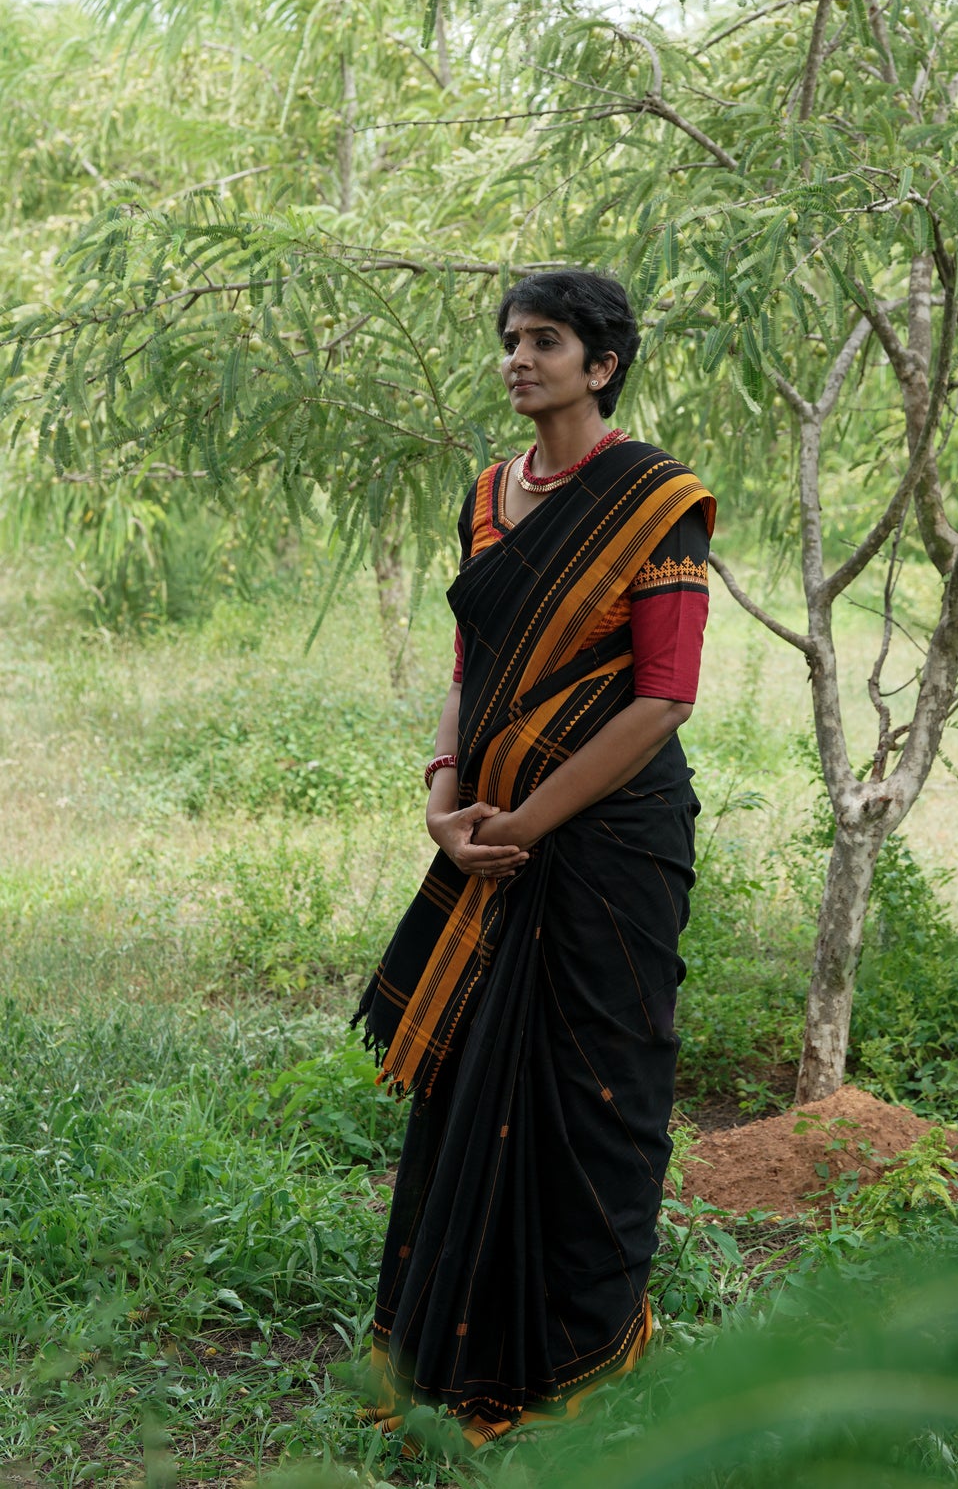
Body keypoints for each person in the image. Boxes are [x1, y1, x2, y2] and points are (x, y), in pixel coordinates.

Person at [355, 269, 714, 1447]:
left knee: (590, 1095)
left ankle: (578, 1369)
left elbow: (661, 700)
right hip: (492, 830)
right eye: (510, 340)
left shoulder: (656, 502)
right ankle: (447, 1359)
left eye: (545, 341)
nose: (518, 359)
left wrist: (525, 820)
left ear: (601, 363)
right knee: (471, 1082)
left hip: (605, 846)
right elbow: (473, 665)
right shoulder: (484, 495)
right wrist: (445, 801)